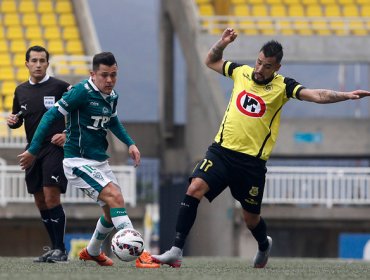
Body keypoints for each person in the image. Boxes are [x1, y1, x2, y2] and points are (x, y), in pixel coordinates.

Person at [151, 28, 370, 268]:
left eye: (266, 66)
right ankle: (176, 250)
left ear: (276, 68)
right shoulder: (241, 72)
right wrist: (223, 43)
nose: (259, 69)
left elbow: (317, 95)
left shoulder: (283, 86)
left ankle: (264, 244)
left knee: (250, 218)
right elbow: (211, 61)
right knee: (194, 188)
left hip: (251, 164)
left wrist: (346, 95)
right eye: (258, 62)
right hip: (221, 152)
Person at [18, 51, 160, 268]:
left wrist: (130, 143)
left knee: (111, 211)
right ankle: (140, 253)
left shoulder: (112, 96)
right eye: (104, 75)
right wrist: (34, 150)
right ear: (92, 74)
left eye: (113, 75)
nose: (110, 80)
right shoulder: (80, 92)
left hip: (99, 162)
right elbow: (50, 116)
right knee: (115, 198)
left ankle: (92, 252)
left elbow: (112, 121)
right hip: (77, 162)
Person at [7, 46, 71, 263]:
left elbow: (81, 112)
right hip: (32, 150)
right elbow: (20, 118)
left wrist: (66, 133)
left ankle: (61, 249)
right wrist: (14, 122)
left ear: (47, 63)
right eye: (33, 60)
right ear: (26, 64)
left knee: (51, 195)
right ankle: (54, 248)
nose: (38, 64)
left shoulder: (61, 87)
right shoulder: (20, 90)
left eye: (42, 60)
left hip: (54, 147)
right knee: (39, 200)